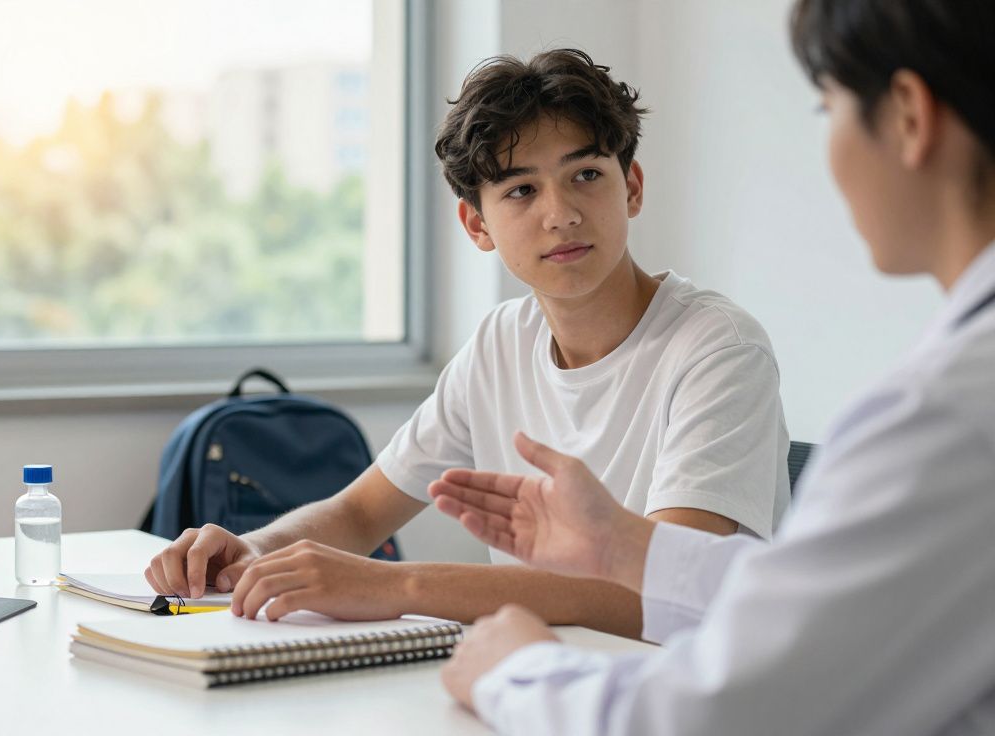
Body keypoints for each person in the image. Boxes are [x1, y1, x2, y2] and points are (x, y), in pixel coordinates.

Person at [427, 0, 995, 732]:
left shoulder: (945, 417)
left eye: (828, 108)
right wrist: (624, 545)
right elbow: (810, 604)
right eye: (521, 190)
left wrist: (514, 671)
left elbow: (717, 714)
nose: (558, 213)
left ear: (909, 117)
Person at [145, 49, 790, 636]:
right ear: (477, 225)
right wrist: (256, 550)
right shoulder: (500, 342)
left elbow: (677, 600)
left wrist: (400, 587)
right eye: (521, 190)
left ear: (633, 187)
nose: (560, 212)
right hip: (546, 675)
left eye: (587, 175)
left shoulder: (718, 349)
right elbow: (362, 511)